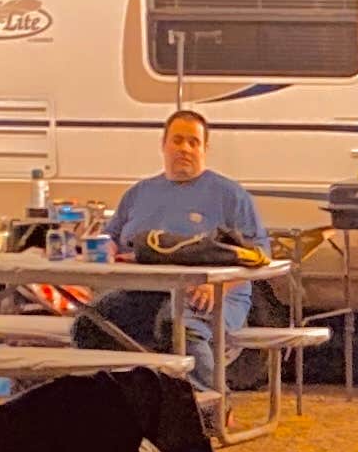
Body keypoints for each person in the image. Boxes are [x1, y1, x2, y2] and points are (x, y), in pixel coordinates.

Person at [80, 107, 270, 388]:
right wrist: (105, 249)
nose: (185, 149)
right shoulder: (138, 193)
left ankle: (210, 403)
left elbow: (260, 254)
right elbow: (111, 237)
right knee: (89, 323)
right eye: (177, 140)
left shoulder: (231, 196)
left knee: (178, 323)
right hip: (145, 293)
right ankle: (115, 399)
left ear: (205, 149)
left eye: (194, 142)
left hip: (212, 297)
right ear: (163, 144)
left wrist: (217, 285)